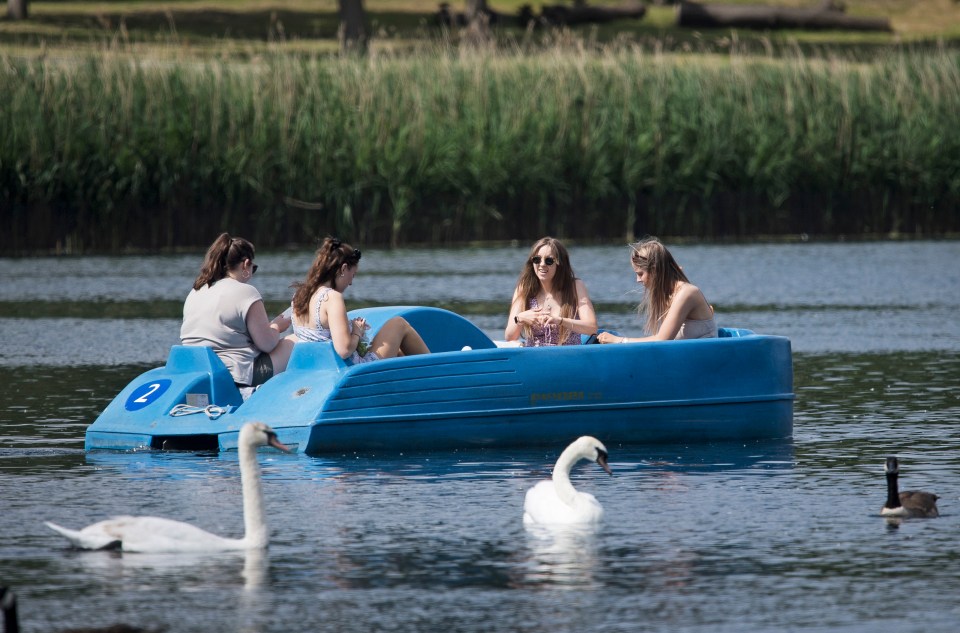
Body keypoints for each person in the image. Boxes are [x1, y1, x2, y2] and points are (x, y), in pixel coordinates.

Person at [181, 233, 294, 388]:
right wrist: (276, 326)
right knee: (298, 340)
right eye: (253, 268)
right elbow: (267, 345)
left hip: (196, 371)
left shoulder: (195, 291)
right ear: (245, 264)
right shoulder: (246, 292)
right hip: (235, 375)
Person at [290, 237, 430, 362]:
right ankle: (437, 370)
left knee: (398, 351)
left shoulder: (299, 295)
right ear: (344, 269)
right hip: (352, 370)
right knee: (399, 324)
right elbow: (344, 350)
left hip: (318, 365)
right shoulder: (332, 297)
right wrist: (357, 331)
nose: (350, 283)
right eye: (353, 275)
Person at [598, 236, 717, 344]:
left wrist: (619, 340)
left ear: (655, 271)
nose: (638, 280)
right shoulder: (670, 293)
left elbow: (662, 340)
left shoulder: (686, 293)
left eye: (640, 274)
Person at [505, 237, 597, 346]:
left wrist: (560, 321)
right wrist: (520, 318)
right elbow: (510, 337)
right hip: (534, 358)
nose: (542, 264)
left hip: (569, 357)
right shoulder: (524, 289)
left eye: (549, 260)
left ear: (560, 264)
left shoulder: (575, 286)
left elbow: (591, 328)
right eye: (537, 259)